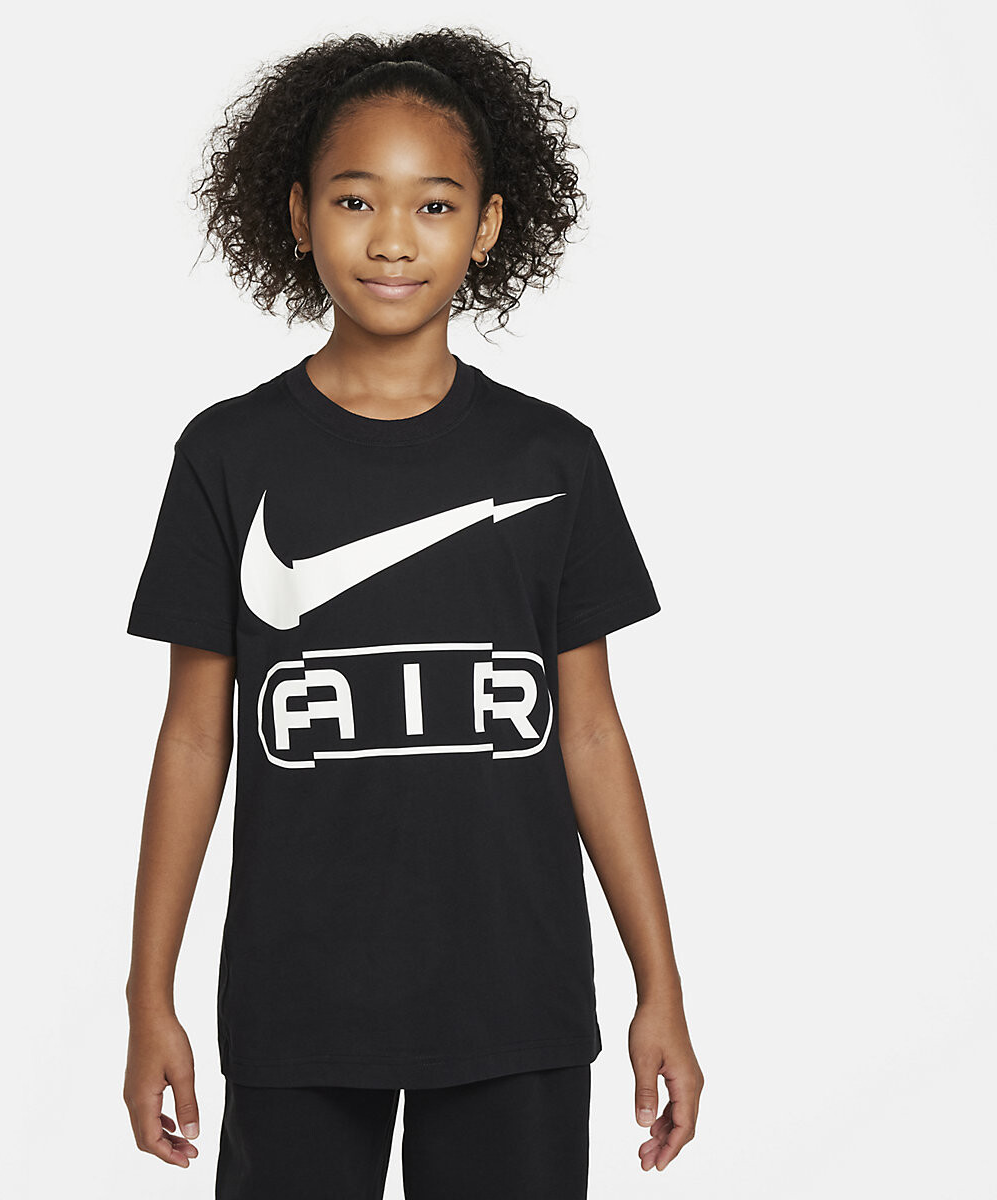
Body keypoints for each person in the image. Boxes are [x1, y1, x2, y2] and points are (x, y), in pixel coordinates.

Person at [122, 27, 703, 1199]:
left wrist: (662, 989)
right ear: (299, 215)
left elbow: (590, 731)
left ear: (487, 226)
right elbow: (192, 737)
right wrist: (149, 999)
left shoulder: (550, 458)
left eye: (434, 205)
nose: (393, 238)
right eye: (355, 200)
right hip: (297, 1010)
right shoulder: (229, 456)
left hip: (516, 1006)